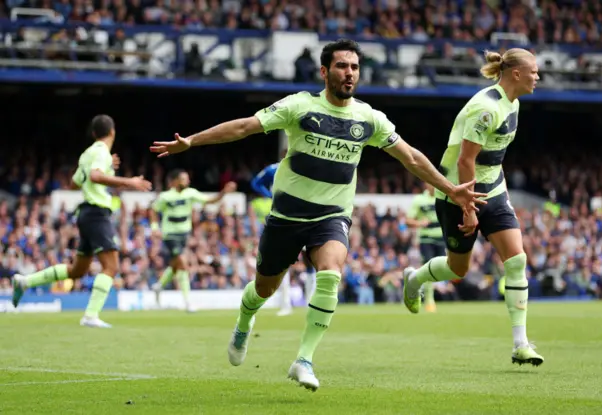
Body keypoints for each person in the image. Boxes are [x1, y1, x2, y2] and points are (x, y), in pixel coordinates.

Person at [150, 38, 487, 391]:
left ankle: (304, 359)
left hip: (332, 215)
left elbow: (412, 158)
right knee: (264, 288)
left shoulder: (368, 118)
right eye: (342, 66)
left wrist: (451, 189)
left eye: (355, 67)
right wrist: (191, 141)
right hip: (287, 216)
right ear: (325, 71)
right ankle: (244, 320)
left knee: (331, 272)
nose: (350, 73)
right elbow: (244, 127)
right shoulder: (299, 106)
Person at [402, 48, 544, 366]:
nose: (538, 76)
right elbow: (466, 161)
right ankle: (415, 279)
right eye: (533, 71)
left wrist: (500, 193)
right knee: (458, 269)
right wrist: (468, 210)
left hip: (492, 191)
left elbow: (494, 158)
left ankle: (520, 344)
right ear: (516, 74)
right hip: (458, 194)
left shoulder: (514, 103)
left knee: (516, 260)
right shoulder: (485, 108)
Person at [11, 114, 152, 327]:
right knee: (111, 266)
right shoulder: (100, 152)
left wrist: (107, 168)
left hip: (86, 214)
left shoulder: (87, 154)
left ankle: (24, 281)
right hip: (96, 213)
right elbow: (95, 177)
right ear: (112, 132)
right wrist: (128, 182)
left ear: (94, 133)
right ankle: (90, 315)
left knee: (77, 270)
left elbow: (76, 183)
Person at [150, 169, 236, 312]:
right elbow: (153, 210)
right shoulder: (165, 197)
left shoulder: (191, 193)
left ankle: (158, 286)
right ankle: (188, 302)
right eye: (184, 179)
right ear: (175, 181)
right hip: (170, 235)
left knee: (176, 266)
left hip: (184, 235)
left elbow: (210, 200)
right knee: (183, 264)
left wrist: (224, 192)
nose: (187, 181)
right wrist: (154, 227)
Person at [251, 162, 295, 316]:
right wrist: (270, 195)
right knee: (282, 262)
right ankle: (286, 303)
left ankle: (310, 301)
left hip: (302, 217)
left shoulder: (307, 164)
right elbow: (255, 183)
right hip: (282, 218)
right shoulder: (273, 169)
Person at [406, 183, 444, 312]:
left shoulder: (443, 197)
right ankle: (429, 300)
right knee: (429, 266)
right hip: (426, 238)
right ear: (425, 184)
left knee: (443, 269)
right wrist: (419, 223)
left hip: (441, 238)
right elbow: (408, 220)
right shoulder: (419, 200)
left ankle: (413, 280)